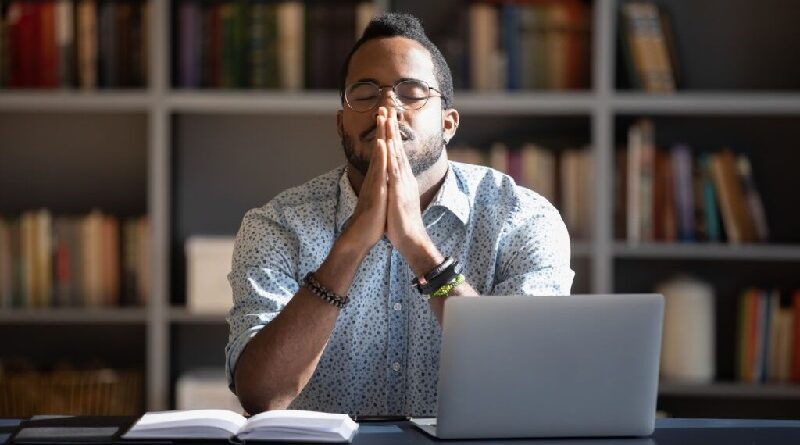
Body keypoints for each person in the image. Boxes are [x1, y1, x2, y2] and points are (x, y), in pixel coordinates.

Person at [226, 13, 574, 417]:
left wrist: (418, 245)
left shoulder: (523, 218)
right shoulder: (276, 226)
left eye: (411, 91)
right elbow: (261, 396)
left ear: (448, 123)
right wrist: (350, 246)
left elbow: (526, 377)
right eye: (365, 92)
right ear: (341, 122)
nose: (387, 107)